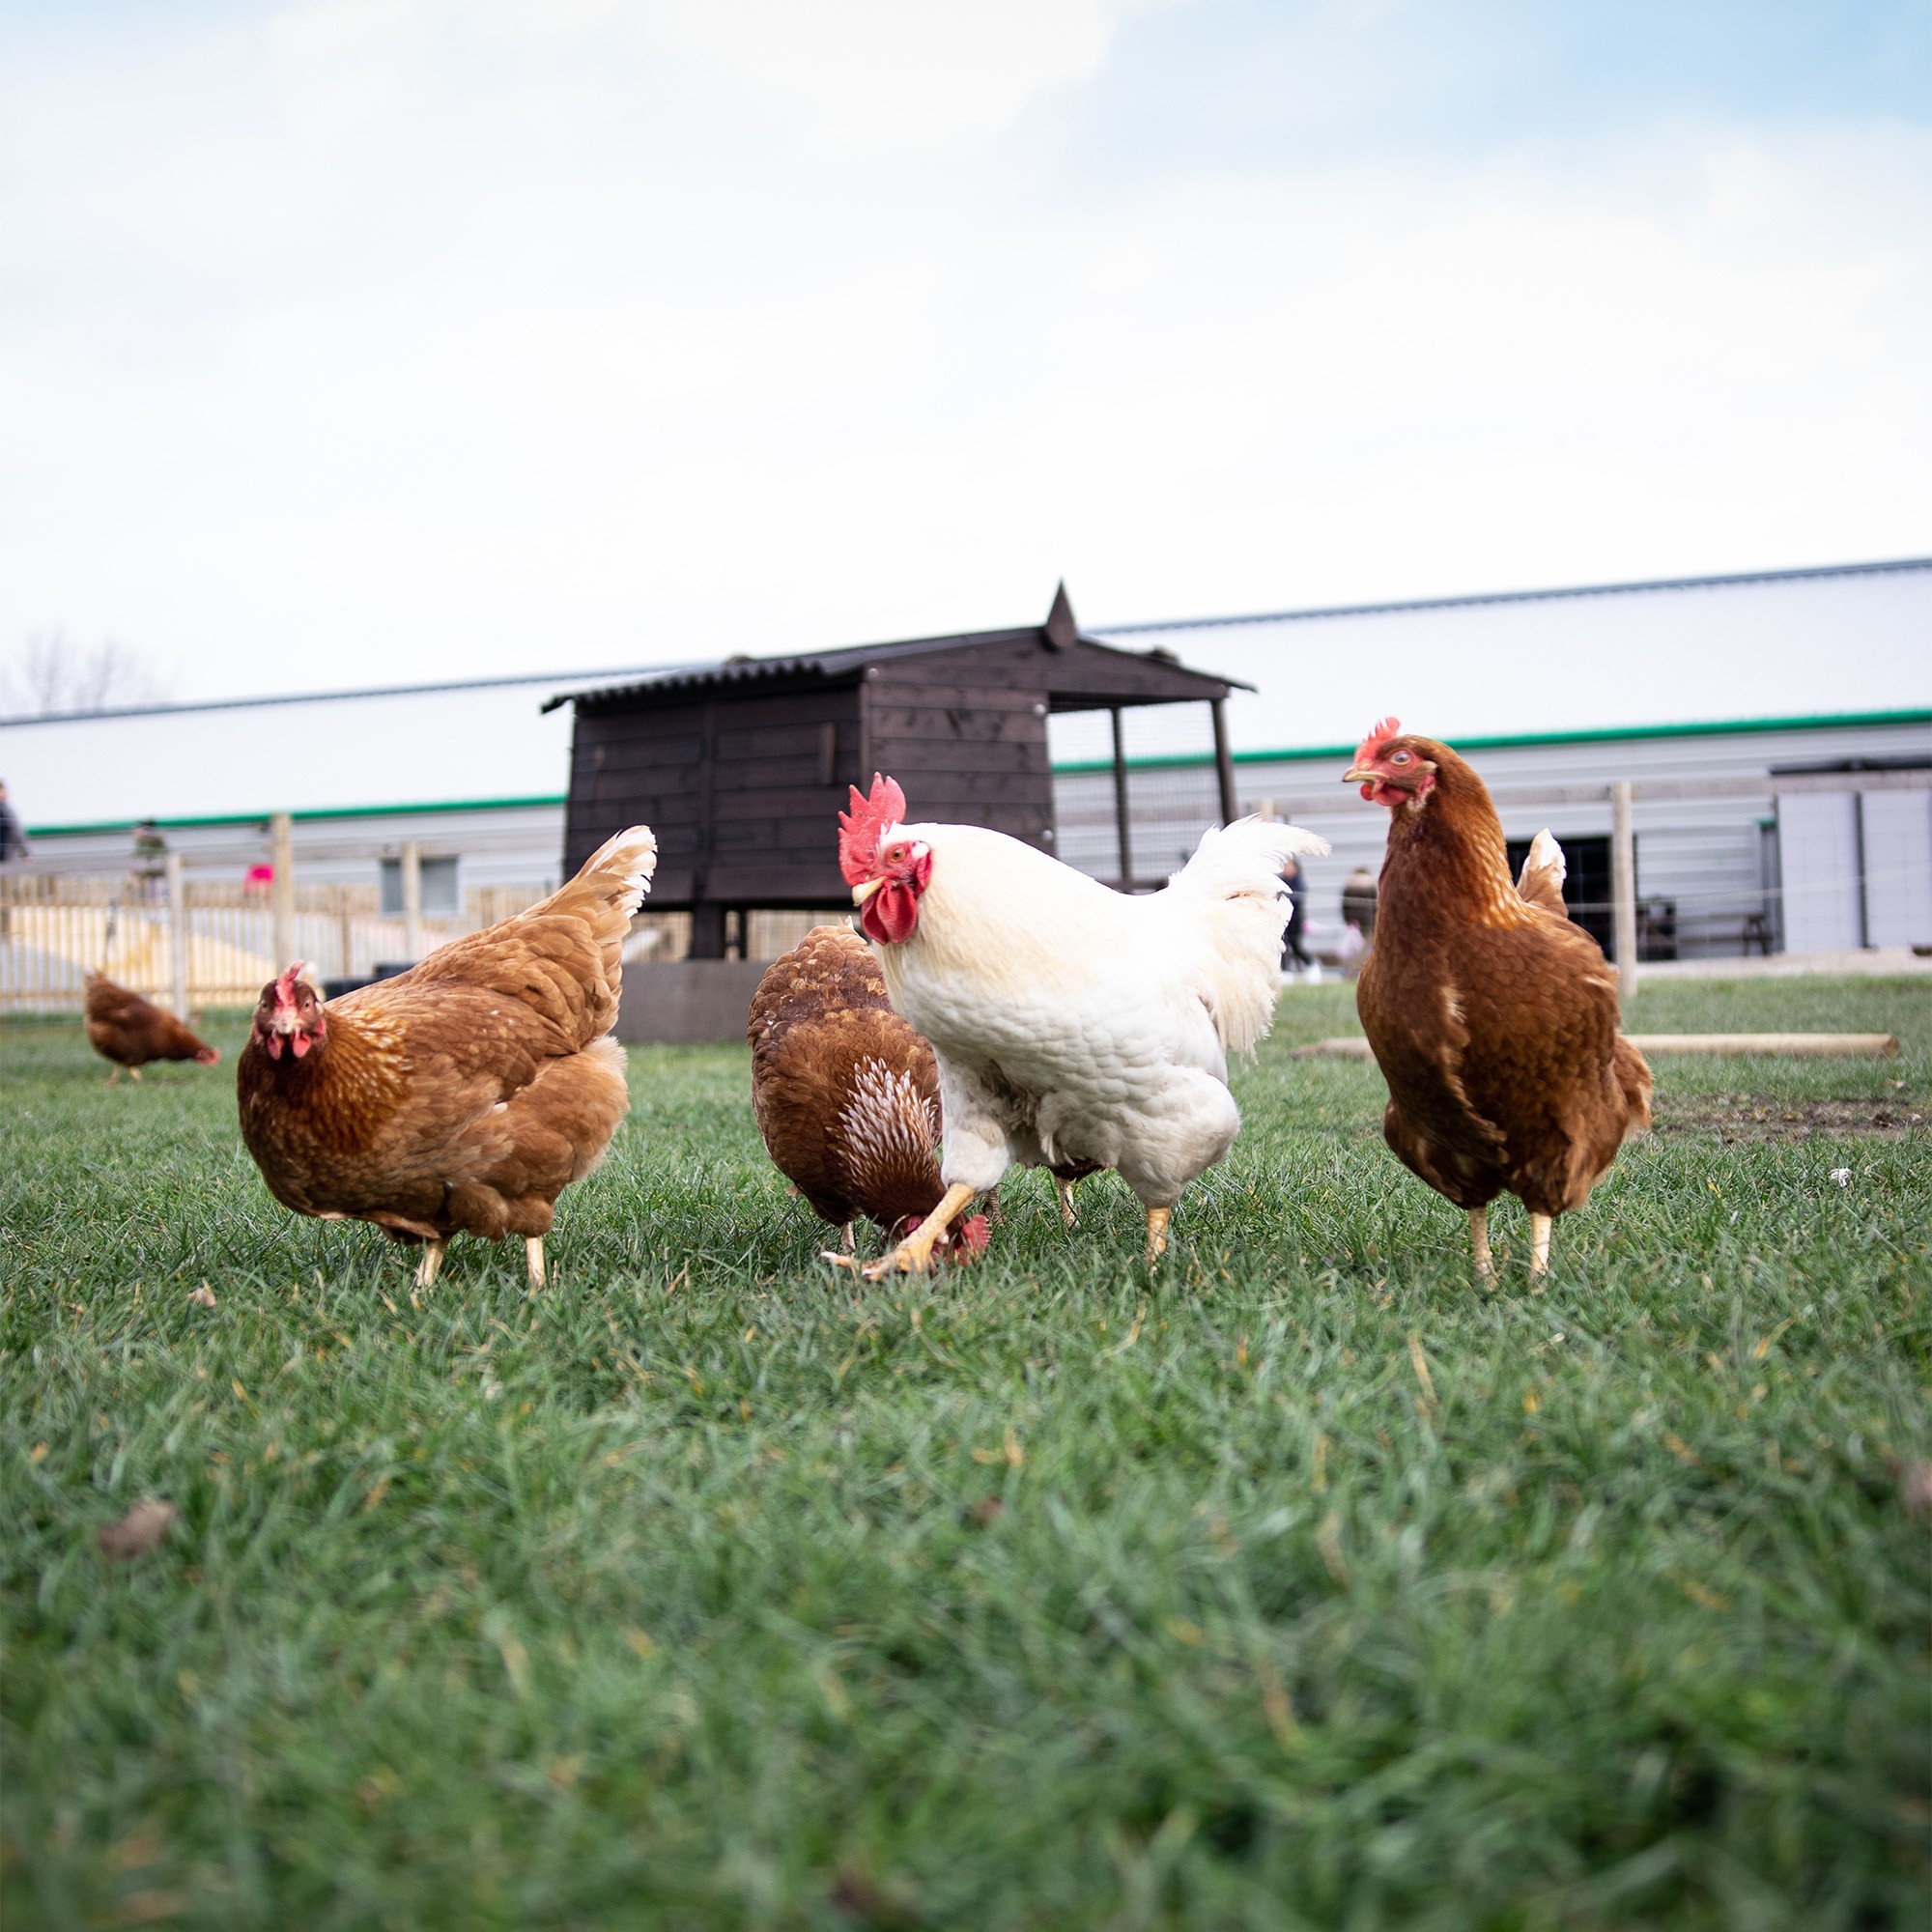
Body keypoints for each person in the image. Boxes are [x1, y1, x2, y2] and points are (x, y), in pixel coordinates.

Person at [1341, 865, 1378, 979]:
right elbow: (1376, 903)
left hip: (1353, 922)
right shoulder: (1371, 884)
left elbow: (1345, 905)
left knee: (1354, 949)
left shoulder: (1349, 884)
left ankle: (1350, 972)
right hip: (1368, 922)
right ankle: (1354, 972)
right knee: (1365, 950)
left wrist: (1348, 920)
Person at [1283, 856, 1312, 968]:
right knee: (1283, 945)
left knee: (1295, 945)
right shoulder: (1282, 880)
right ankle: (1285, 970)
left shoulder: (1299, 881)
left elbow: (1298, 898)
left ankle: (1310, 964)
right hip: (1283, 919)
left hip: (1295, 918)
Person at [0, 781, 27, 862]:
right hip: (4, 854)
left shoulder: (5, 809)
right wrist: (25, 852)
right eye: (2, 791)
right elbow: (16, 832)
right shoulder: (6, 810)